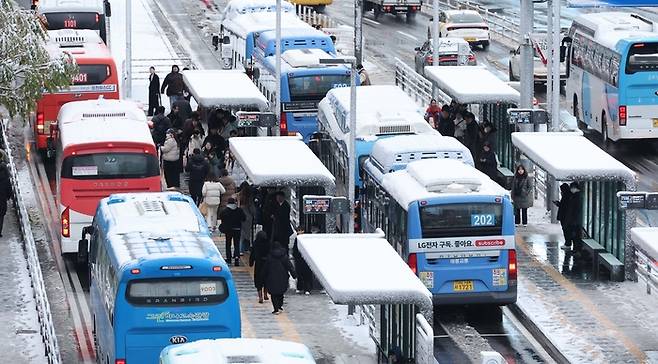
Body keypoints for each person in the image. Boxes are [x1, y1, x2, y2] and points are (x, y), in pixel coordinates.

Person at [264, 241, 296, 314]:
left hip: (271, 277)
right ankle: (279, 306)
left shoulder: (270, 257)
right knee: (280, 293)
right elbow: (290, 266)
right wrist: (294, 275)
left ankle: (276, 309)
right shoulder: (284, 256)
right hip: (283, 277)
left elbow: (265, 268)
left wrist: (263, 277)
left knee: (273, 294)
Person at [219, 197, 246, 266]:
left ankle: (229, 259)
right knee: (236, 244)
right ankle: (236, 258)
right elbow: (244, 218)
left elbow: (221, 217)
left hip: (228, 230)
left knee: (228, 244)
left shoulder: (225, 211)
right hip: (237, 229)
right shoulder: (239, 210)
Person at [249, 230, 270, 303]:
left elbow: (252, 254)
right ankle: (265, 294)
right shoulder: (268, 243)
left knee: (258, 281)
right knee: (266, 280)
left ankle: (260, 297)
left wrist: (251, 263)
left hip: (258, 264)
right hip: (266, 264)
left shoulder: (255, 243)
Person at [292, 226, 314, 295]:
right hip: (300, 260)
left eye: (301, 230)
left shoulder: (305, 239)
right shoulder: (297, 239)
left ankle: (306, 288)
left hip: (305, 259)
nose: (300, 232)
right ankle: (301, 288)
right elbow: (294, 250)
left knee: (306, 275)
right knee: (300, 274)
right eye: (299, 230)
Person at [564, 182, 583, 252]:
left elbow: (574, 209)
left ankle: (576, 250)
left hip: (575, 221)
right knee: (575, 236)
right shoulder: (576, 196)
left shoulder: (576, 197)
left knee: (575, 236)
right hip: (575, 220)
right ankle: (576, 249)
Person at [239, 182, 257, 255]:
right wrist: (254, 215)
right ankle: (246, 248)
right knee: (247, 234)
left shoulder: (238, 195)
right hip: (248, 217)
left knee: (241, 234)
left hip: (239, 216)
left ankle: (240, 249)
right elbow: (252, 209)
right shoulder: (249, 198)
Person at [554, 183, 572, 250]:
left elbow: (564, 206)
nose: (561, 191)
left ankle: (568, 243)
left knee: (566, 230)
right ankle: (568, 243)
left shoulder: (566, 196)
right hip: (565, 216)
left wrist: (558, 204)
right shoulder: (567, 195)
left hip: (565, 216)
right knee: (566, 230)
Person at [0, 162, 12, 237]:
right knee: (1, 215)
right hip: (2, 199)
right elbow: (9, 189)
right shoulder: (5, 177)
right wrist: (8, 196)